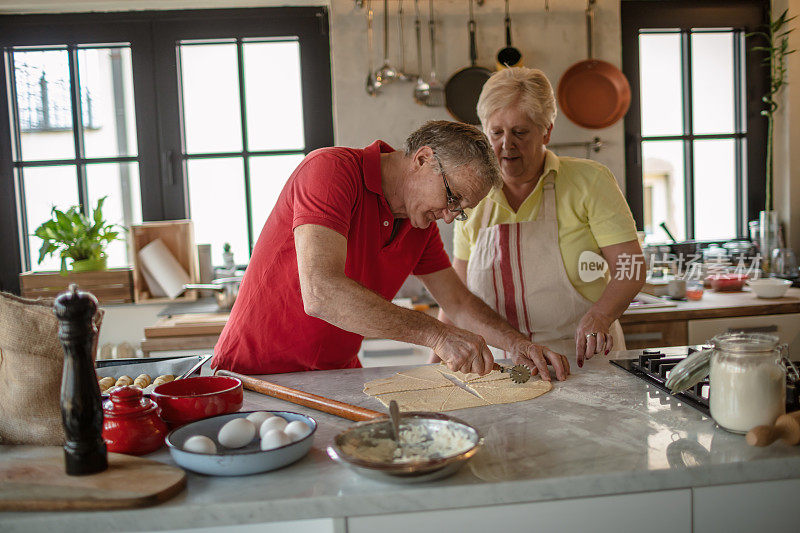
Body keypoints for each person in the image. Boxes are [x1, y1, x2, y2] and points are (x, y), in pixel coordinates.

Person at [211, 120, 569, 380]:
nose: (447, 217)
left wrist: (517, 344)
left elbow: (457, 303)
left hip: (335, 376)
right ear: (423, 160)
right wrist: (436, 334)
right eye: (452, 198)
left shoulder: (419, 224)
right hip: (254, 373)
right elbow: (320, 292)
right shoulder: (331, 171)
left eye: (458, 210)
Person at [435, 67, 645, 370]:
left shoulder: (589, 181)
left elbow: (632, 266)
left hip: (582, 362)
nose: (507, 145)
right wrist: (435, 363)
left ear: (546, 131)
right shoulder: (472, 196)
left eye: (520, 132)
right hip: (500, 368)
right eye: (496, 132)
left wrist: (602, 315)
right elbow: (456, 293)